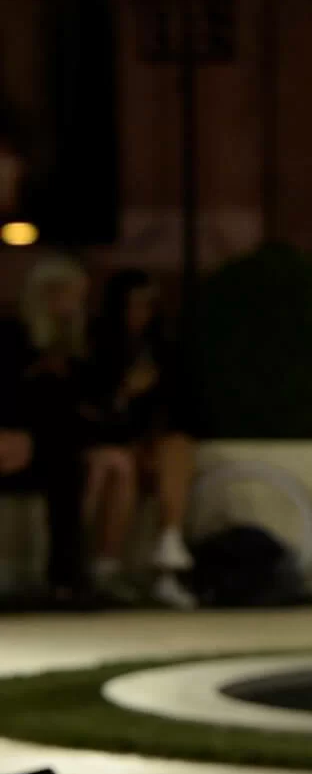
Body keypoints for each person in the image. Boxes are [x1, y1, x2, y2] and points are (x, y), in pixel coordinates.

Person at [83, 268, 200, 608]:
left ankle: (169, 552)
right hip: (110, 440)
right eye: (135, 304)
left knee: (177, 448)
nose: (143, 313)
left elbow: (179, 407)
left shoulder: (161, 350)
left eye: (149, 305)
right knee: (122, 464)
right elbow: (91, 412)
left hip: (150, 442)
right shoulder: (96, 346)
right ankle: (107, 568)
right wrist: (125, 393)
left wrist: (153, 440)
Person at [0, 254, 95, 606]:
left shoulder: (77, 348)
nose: (77, 305)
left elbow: (75, 414)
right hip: (9, 442)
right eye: (73, 295)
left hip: (45, 449)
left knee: (69, 467)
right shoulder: (11, 337)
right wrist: (11, 433)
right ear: (48, 293)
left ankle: (66, 580)